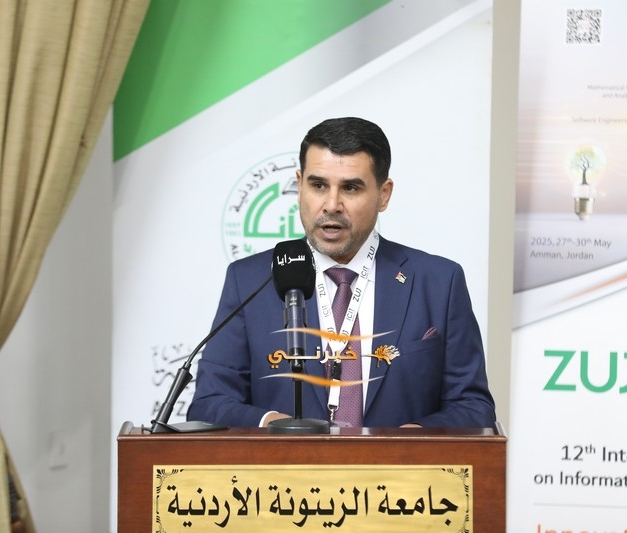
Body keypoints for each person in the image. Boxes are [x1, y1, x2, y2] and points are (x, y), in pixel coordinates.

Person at [187, 117, 495, 428]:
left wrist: (416, 439)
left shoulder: (439, 282)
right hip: (285, 460)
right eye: (318, 185)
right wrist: (272, 425)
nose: (332, 204)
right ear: (299, 185)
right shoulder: (250, 280)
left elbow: (473, 407)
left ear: (384, 194)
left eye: (350, 188)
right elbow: (209, 404)